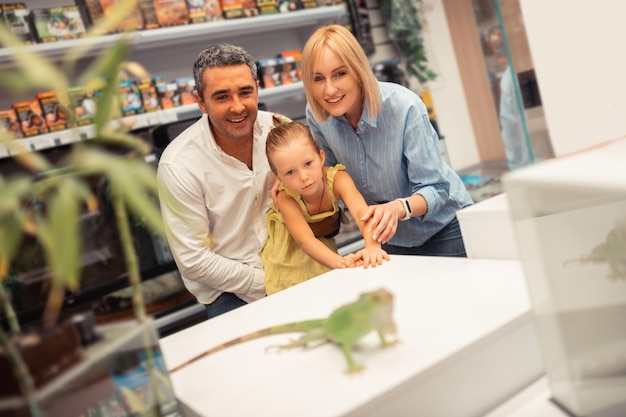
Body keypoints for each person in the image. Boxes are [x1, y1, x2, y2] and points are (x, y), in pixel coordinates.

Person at [301, 24, 474, 257]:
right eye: (318, 78)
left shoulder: (404, 107)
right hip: (389, 237)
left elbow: (437, 189)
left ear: (359, 71)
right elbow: (332, 177)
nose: (329, 90)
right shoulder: (317, 115)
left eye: (340, 73)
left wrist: (398, 207)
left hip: (445, 228)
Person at [157, 44, 280, 319]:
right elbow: (194, 260)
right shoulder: (178, 165)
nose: (237, 107)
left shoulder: (279, 129)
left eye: (245, 92)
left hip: (290, 264)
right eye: (222, 97)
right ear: (201, 102)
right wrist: (270, 284)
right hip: (229, 290)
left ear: (257, 89)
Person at [262, 116, 389, 295]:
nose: (303, 176)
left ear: (321, 157)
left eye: (308, 164)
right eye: (290, 172)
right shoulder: (286, 198)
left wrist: (372, 246)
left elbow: (362, 213)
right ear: (278, 178)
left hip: (322, 249)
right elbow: (305, 241)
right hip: (288, 261)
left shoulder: (338, 179)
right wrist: (341, 263)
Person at [499, 65, 530, 170]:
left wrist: (515, 166)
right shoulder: (510, 76)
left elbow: (509, 126)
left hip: (531, 165)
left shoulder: (510, 75)